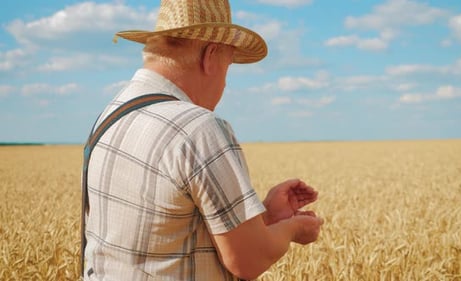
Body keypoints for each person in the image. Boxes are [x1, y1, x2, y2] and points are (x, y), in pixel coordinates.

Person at [82, 0, 323, 280]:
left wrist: (266, 216)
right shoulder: (199, 128)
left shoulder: (111, 115)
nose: (224, 83)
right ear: (211, 56)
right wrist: (294, 228)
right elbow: (248, 260)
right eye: (228, 66)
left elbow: (164, 232)